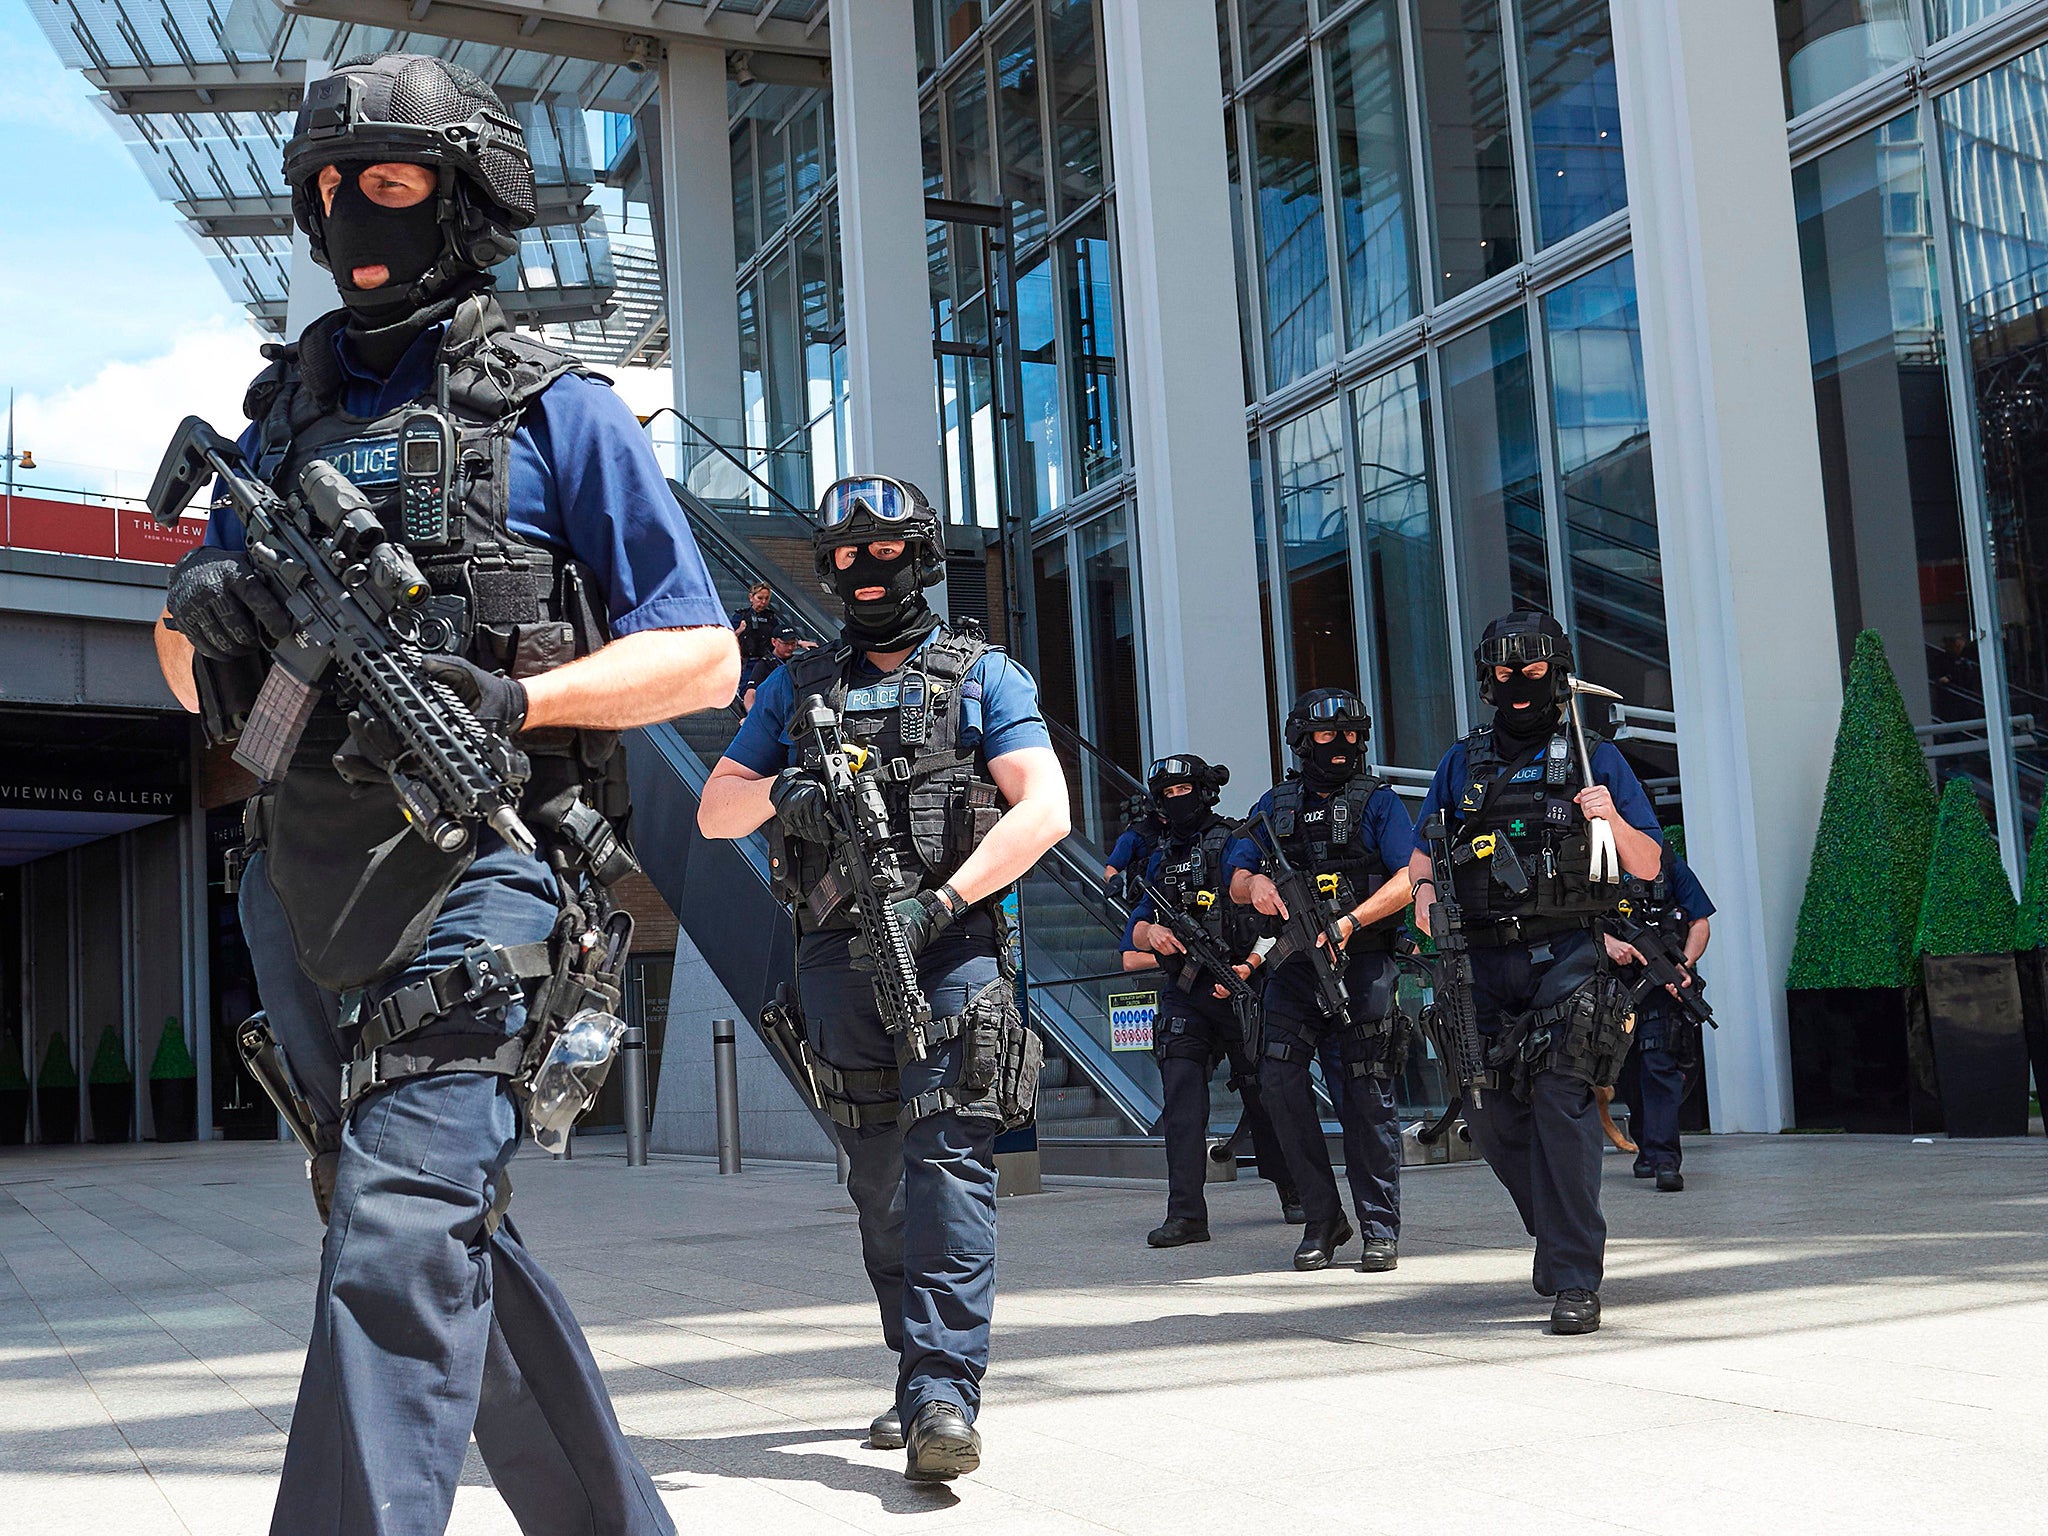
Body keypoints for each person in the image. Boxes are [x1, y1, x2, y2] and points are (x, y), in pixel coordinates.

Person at [151, 52, 738, 1536]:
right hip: (301, 880)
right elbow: (181, 678)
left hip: (484, 866)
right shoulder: (274, 424)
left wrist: (521, 699)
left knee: (399, 1240)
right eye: (332, 189)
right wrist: (207, 611)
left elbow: (701, 659)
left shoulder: (559, 414)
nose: (356, 214)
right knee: (415, 1228)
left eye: (394, 185)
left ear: (469, 202)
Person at [697, 474, 1070, 1482]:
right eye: (849, 556)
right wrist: (794, 791)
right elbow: (716, 811)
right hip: (833, 955)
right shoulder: (794, 687)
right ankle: (918, 1378)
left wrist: (942, 904)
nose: (868, 572)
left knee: (947, 1163)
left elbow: (1043, 808)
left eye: (889, 552)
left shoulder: (983, 675)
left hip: (947, 951)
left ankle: (946, 1391)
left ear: (923, 558)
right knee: (876, 1182)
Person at [1407, 611, 1664, 1336]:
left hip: (1568, 955)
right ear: (1485, 679)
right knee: (1489, 1116)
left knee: (1563, 1107)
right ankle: (1555, 1236)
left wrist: (1611, 819)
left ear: (1558, 673)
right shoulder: (1463, 762)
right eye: (1502, 673)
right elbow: (1425, 855)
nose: (1517, 686)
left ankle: (1577, 1276)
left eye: (1533, 672)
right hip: (1480, 962)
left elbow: (1649, 866)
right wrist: (1425, 902)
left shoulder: (1595, 758)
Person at [1226, 690, 1415, 1274]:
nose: (1343, 747)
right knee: (1278, 1083)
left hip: (1361, 963)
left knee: (1364, 1094)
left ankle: (1379, 1226)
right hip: (1293, 968)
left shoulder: (1378, 802)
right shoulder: (1273, 804)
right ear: (1303, 742)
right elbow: (1235, 873)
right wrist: (1256, 888)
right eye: (1329, 737)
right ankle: (1322, 1217)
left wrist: (1350, 921)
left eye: (1353, 735)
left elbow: (1410, 877)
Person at [1121, 754, 1300, 1246]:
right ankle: (1186, 1214)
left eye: (1186, 790)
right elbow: (1129, 936)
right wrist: (1153, 932)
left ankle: (1294, 1190)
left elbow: (1279, 920)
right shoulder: (1159, 859)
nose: (1178, 801)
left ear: (1205, 791)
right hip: (1186, 995)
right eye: (1168, 793)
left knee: (1264, 1094)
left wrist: (1248, 968)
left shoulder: (1236, 844)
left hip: (1244, 986)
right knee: (1181, 1101)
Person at [1617, 852, 1714, 1192]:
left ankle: (1665, 1160)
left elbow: (1699, 922)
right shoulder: (1594, 859)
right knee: (1628, 1074)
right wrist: (1611, 943)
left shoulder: (1671, 866)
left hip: (1664, 990)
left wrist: (1683, 963)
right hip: (1614, 990)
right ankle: (1646, 1148)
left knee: (1660, 1069)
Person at [741, 620, 811, 711]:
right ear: (774, 642)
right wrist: (751, 715)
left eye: (793, 644)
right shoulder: (764, 664)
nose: (790, 648)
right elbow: (750, 693)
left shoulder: (798, 662)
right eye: (786, 644)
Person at [1105, 790, 1164, 897]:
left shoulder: (1180, 831)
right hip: (1143, 899)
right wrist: (1115, 881)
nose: (1165, 822)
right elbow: (1110, 870)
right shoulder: (1133, 836)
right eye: (1161, 817)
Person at [732, 580, 781, 697]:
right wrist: (739, 630)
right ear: (751, 597)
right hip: (747, 662)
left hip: (765, 662)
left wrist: (799, 642)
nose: (763, 602)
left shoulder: (770, 618)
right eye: (760, 598)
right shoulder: (741, 615)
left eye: (766, 598)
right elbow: (727, 638)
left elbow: (780, 635)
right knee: (747, 692)